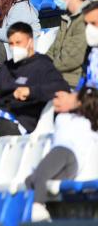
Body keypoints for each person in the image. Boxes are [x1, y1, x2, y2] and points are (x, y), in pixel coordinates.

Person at [27, 86, 98, 222]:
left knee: (41, 173)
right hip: (73, 165)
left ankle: (38, 205)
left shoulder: (64, 118)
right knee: (31, 179)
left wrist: (74, 100)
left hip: (65, 152)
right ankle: (46, 210)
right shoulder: (90, 125)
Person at [46, 0, 90, 89]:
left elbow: (70, 60)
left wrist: (42, 71)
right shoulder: (67, 17)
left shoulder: (88, 19)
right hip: (57, 78)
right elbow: (52, 50)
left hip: (75, 84)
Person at [53, 2, 98, 116]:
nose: (89, 30)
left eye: (93, 23)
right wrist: (72, 97)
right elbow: (84, 84)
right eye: (87, 25)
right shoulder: (92, 52)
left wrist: (76, 102)